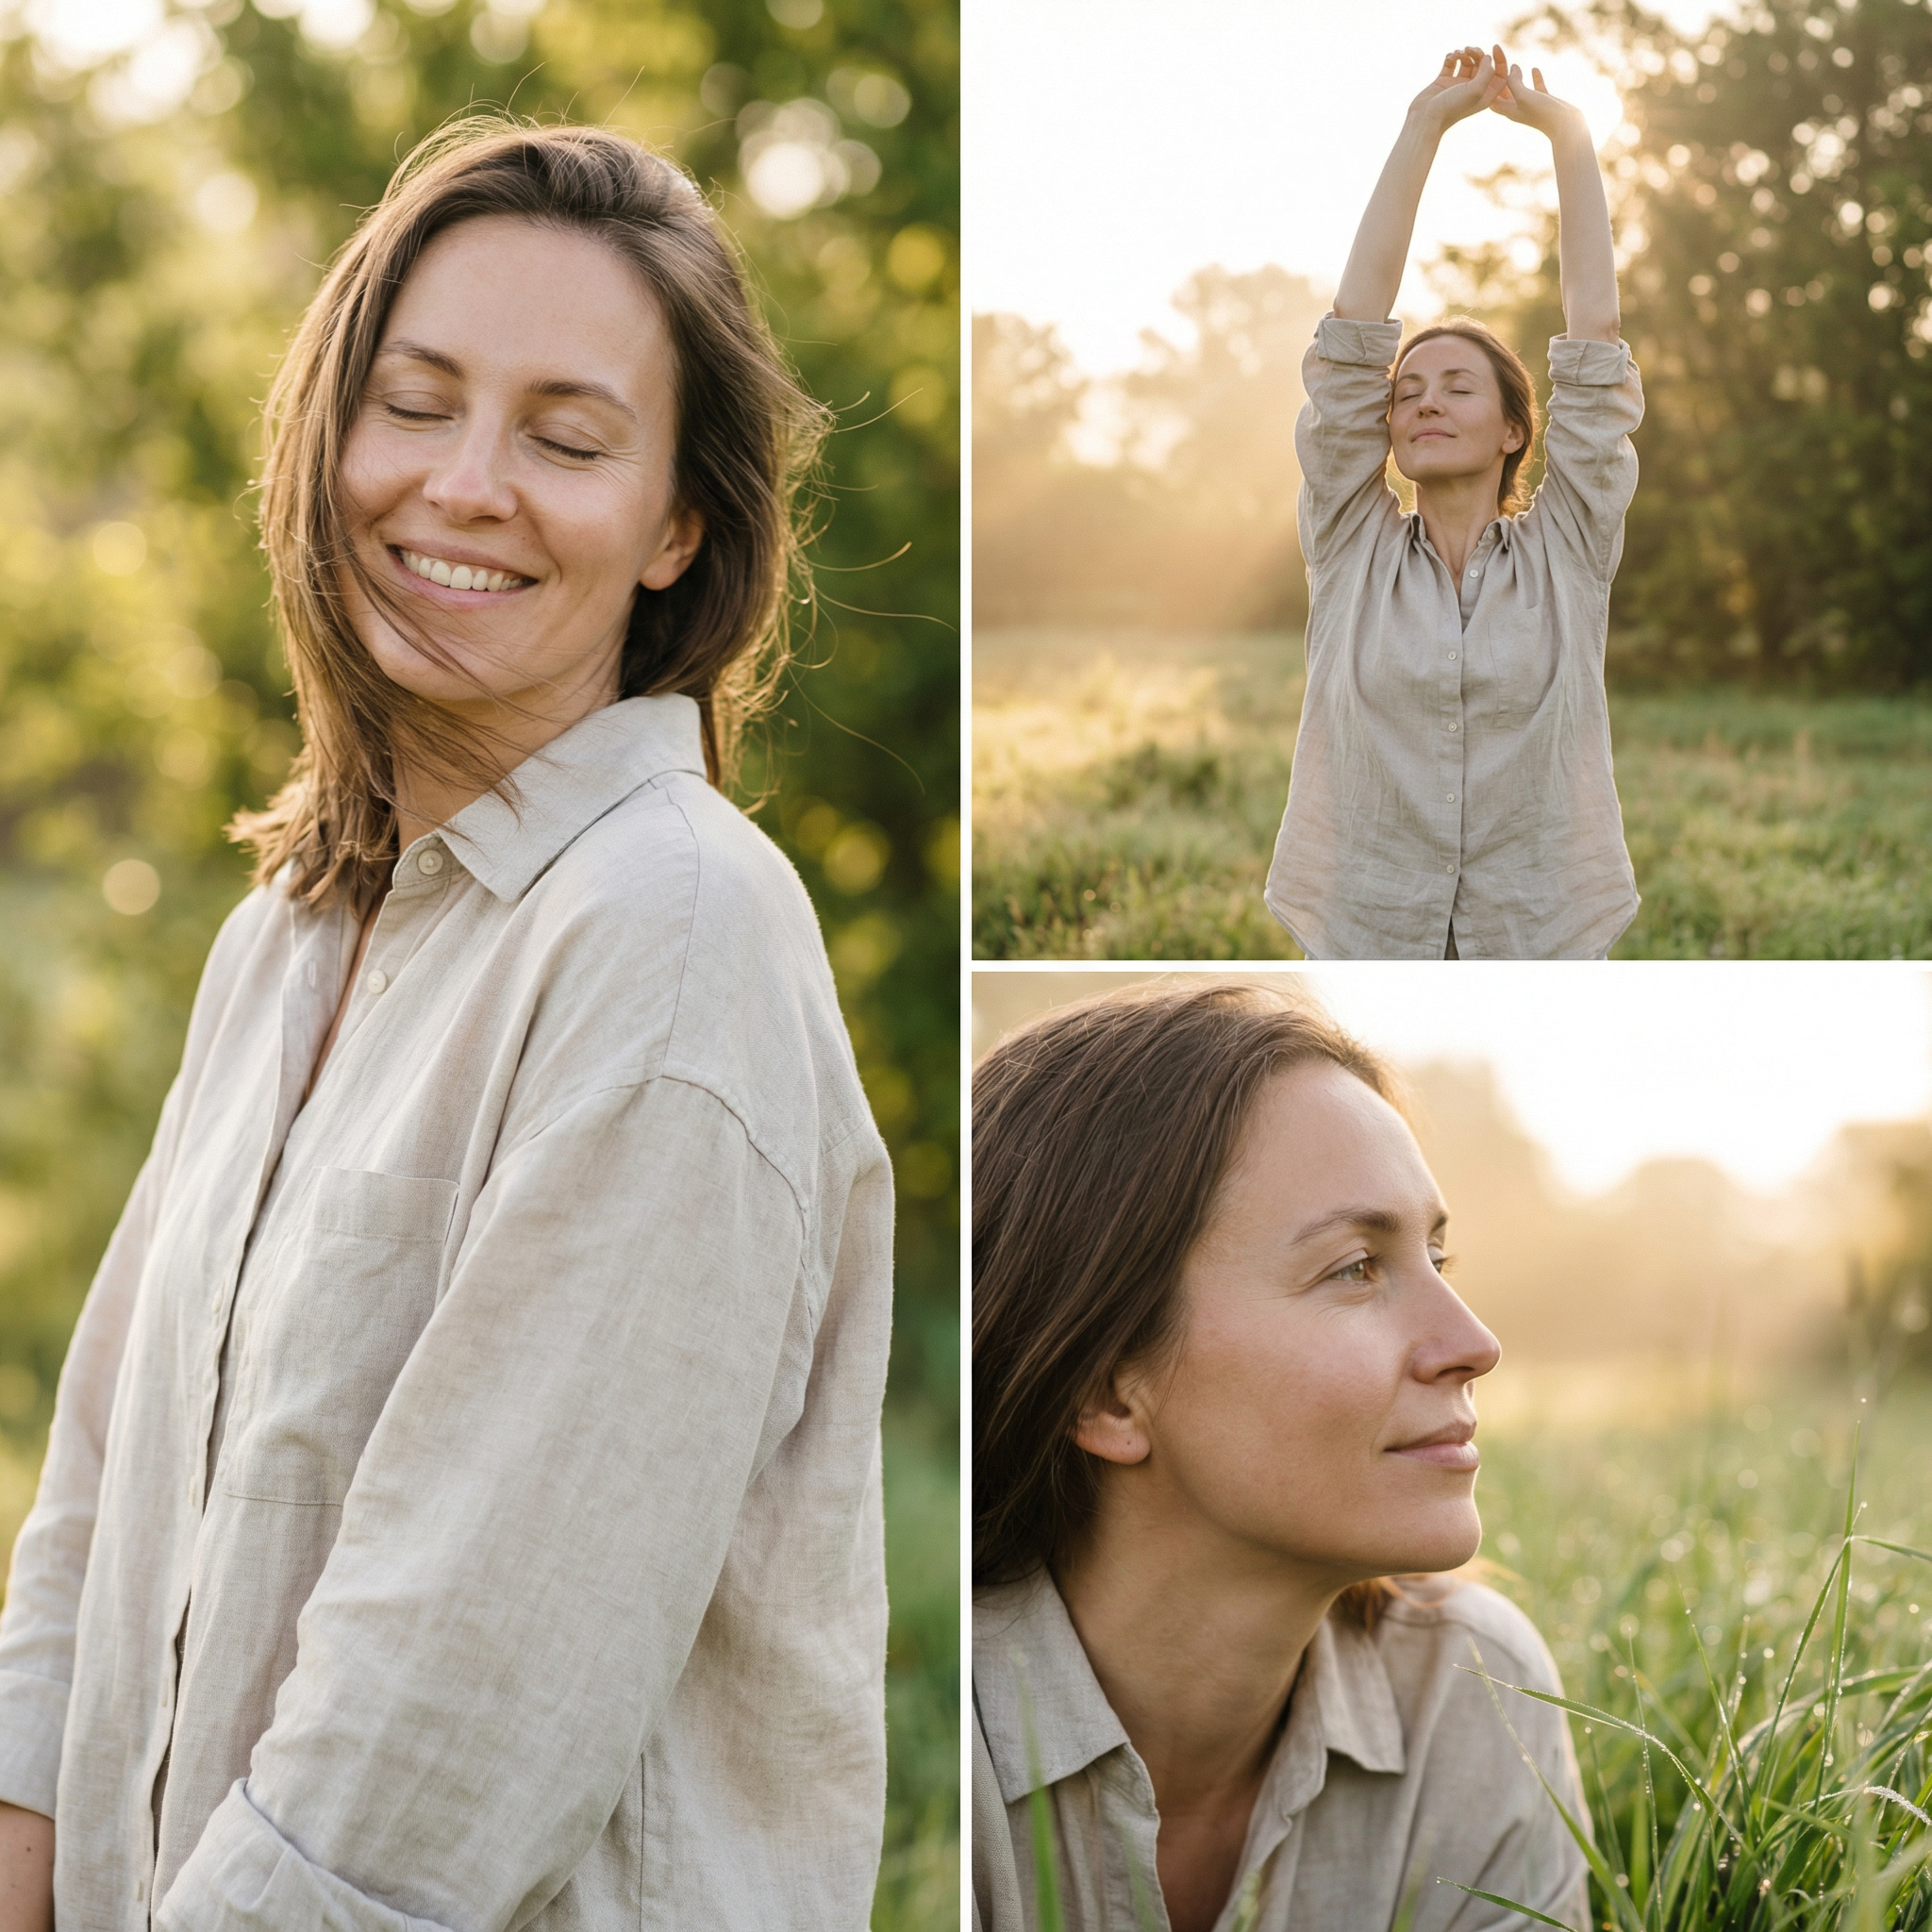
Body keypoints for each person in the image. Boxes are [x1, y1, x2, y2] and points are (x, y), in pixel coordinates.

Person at [0, 119, 892, 1930]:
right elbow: (92, 1504)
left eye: (566, 440)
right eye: (413, 404)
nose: (466, 483)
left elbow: (450, 1716)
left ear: (675, 529)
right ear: (325, 432)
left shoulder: (673, 931)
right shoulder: (285, 937)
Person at [972, 980, 1589, 1932]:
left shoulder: (1474, 1693)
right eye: (1353, 1267)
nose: (1471, 1341)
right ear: (1105, 1388)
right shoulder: (936, 1735)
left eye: (1437, 1257)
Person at [1265, 46, 1645, 960]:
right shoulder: (1349, 541)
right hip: (1367, 930)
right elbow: (1351, 337)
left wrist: (1566, 136)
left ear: (1516, 429)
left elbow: (1594, 341)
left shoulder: (1569, 548)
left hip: (1540, 932)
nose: (1423, 399)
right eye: (1407, 391)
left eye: (1457, 387)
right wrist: (1422, 125)